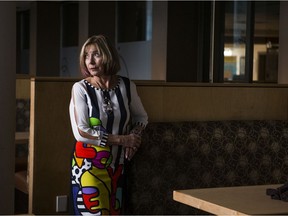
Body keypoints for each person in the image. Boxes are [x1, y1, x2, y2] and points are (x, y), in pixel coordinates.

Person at [69, 35, 148, 215]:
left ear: (108, 56)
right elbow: (81, 132)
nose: (90, 61)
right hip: (89, 166)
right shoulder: (80, 88)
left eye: (96, 54)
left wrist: (134, 138)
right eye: (86, 56)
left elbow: (142, 117)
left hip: (118, 166)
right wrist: (123, 140)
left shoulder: (127, 86)